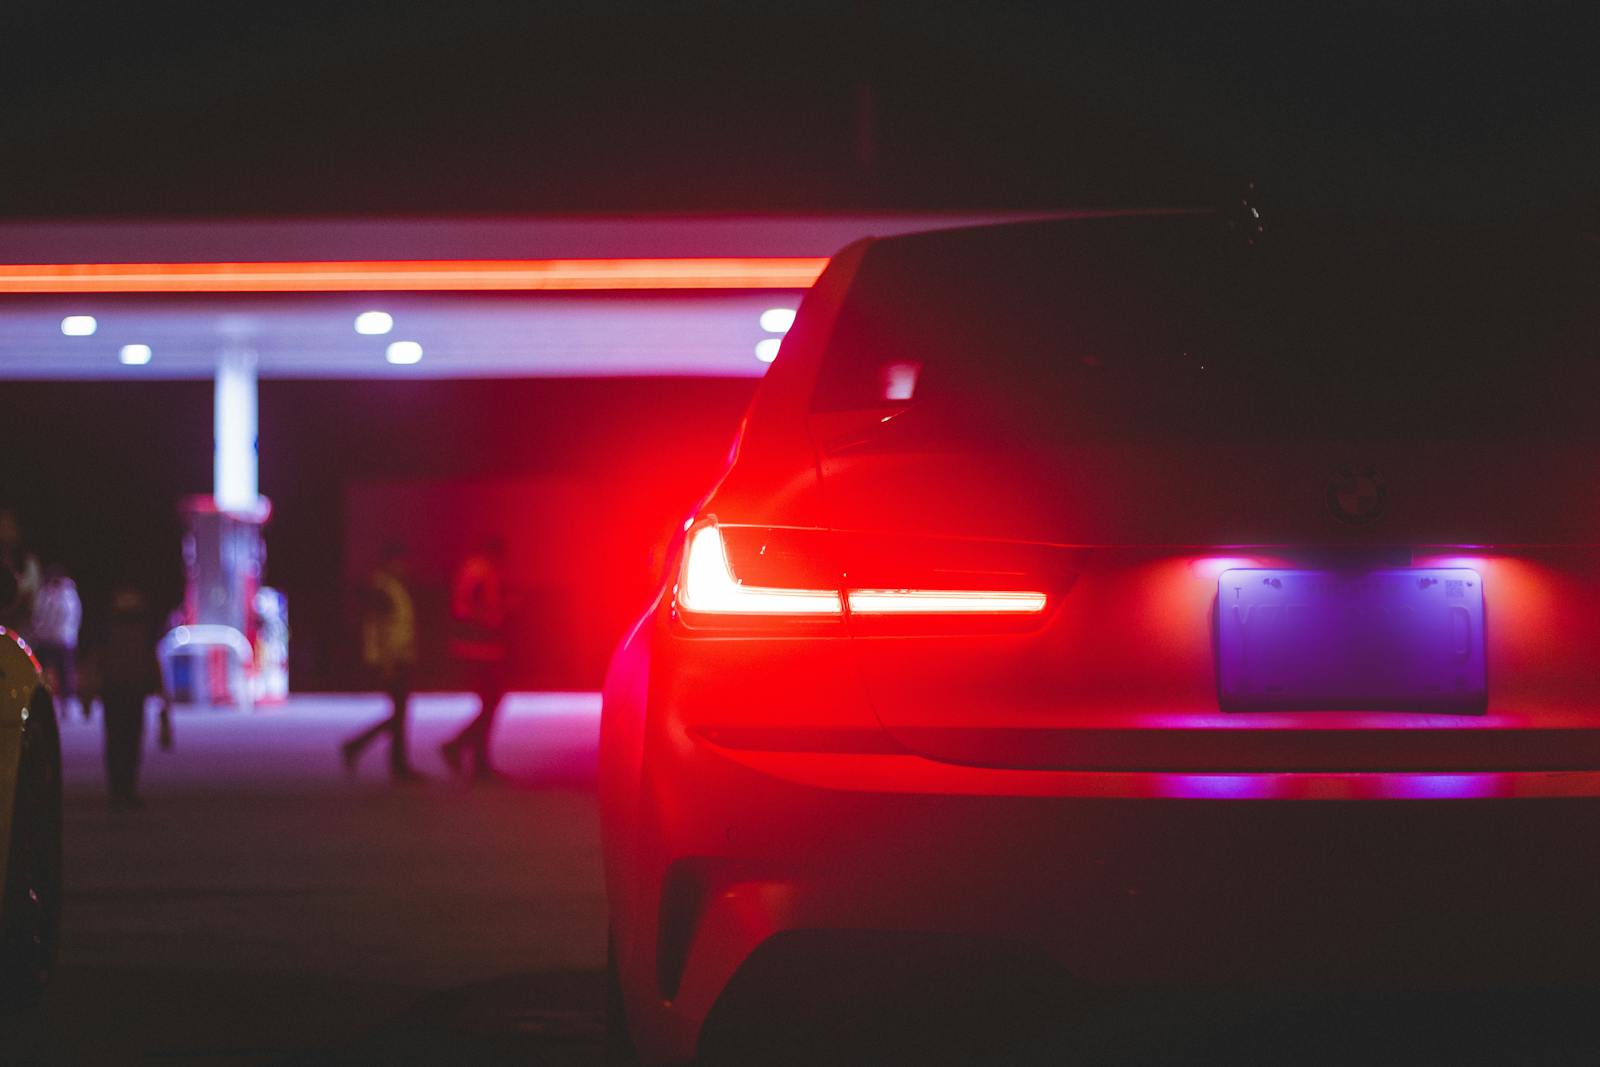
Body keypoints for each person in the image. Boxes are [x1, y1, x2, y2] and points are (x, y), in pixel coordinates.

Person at [340, 542, 422, 781]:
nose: (405, 566)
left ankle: (364, 750)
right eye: (401, 561)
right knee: (399, 714)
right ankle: (395, 763)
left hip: (400, 657)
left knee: (399, 714)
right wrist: (384, 663)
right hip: (392, 660)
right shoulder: (383, 588)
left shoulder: (394, 587)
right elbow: (376, 629)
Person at [440, 537, 511, 782]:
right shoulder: (481, 573)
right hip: (479, 648)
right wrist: (494, 616)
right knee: (492, 701)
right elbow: (466, 608)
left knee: (490, 702)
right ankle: (466, 752)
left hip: (479, 647)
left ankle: (476, 759)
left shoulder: (474, 571)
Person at [96, 581, 161, 810]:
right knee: (131, 739)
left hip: (114, 687)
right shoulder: (143, 629)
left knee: (115, 739)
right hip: (133, 687)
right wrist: (160, 689)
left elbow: (99, 658)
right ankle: (126, 789)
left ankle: (118, 789)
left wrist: (90, 691)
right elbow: (152, 658)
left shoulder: (108, 629)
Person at [31, 564, 82, 717]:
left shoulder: (68, 593)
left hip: (64, 639)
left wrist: (69, 633)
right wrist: (39, 631)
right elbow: (39, 613)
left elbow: (71, 615)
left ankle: (68, 703)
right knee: (43, 671)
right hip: (47, 639)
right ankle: (46, 700)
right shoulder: (45, 593)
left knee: (65, 671)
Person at [0, 509, 41, 641]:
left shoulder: (28, 564)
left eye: (9, 526)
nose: (4, 531)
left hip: (17, 636)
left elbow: (30, 607)